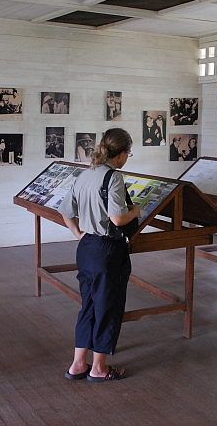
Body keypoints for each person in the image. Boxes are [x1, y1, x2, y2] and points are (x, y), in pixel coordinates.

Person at [59, 128, 139, 382]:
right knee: (108, 308)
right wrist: (136, 212)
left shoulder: (85, 174)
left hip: (86, 248)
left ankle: (78, 364)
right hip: (107, 250)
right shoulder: (113, 177)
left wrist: (78, 233)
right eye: (129, 153)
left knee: (89, 306)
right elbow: (117, 218)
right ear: (122, 153)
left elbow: (65, 211)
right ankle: (99, 368)